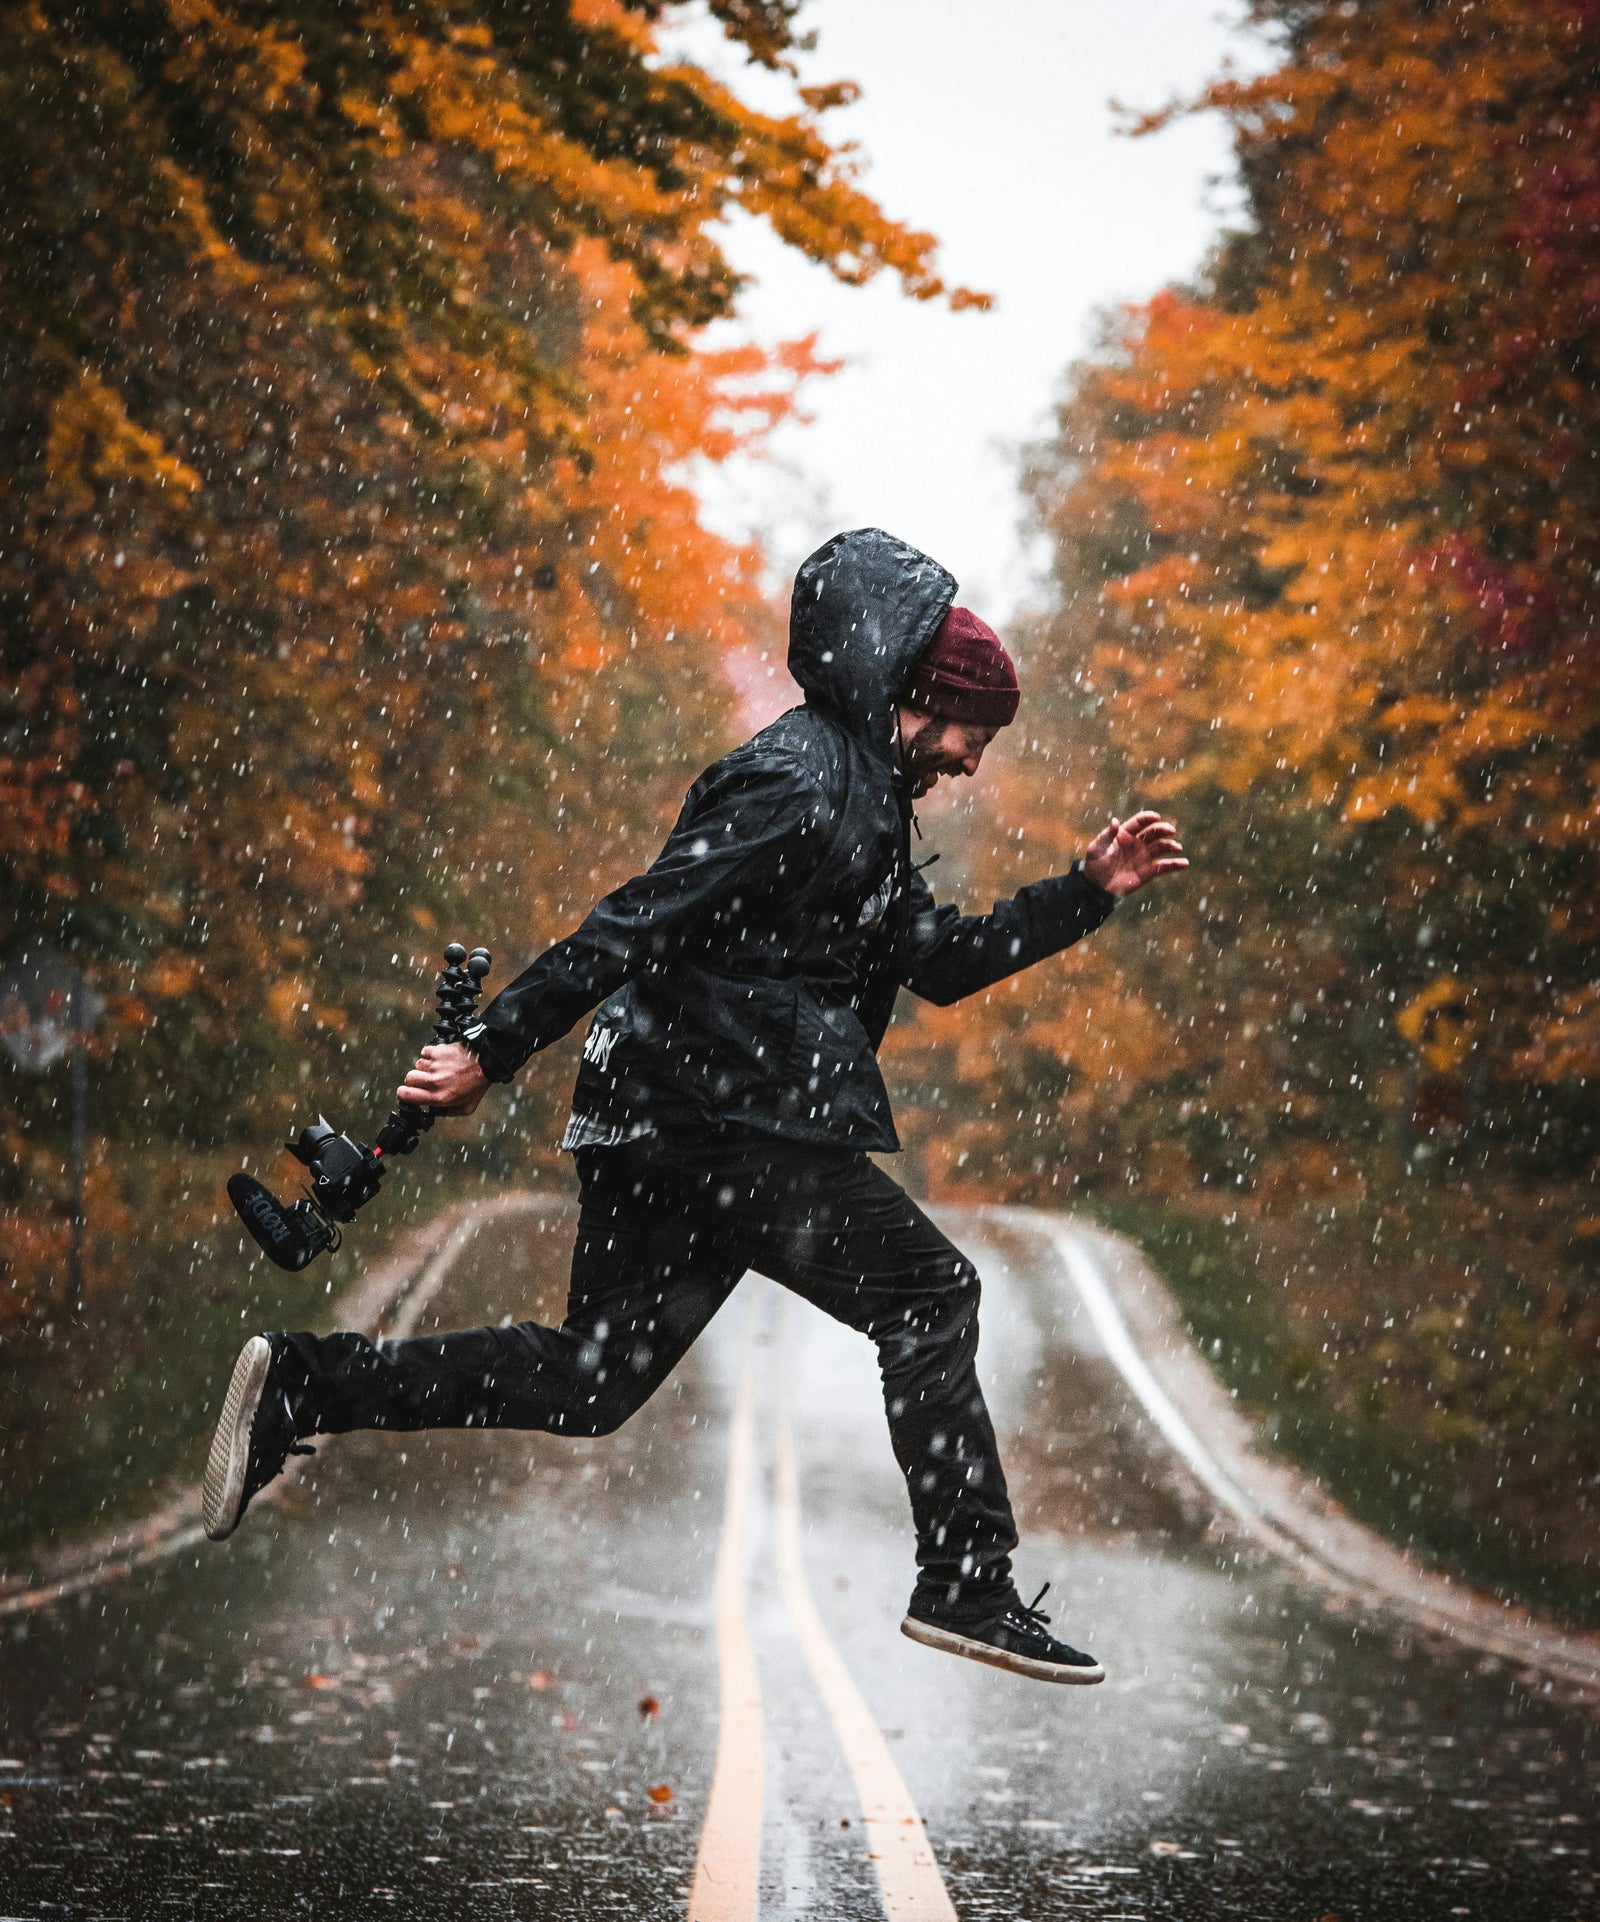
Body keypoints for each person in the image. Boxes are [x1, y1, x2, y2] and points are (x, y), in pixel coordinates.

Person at [202, 528, 1185, 1685]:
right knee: (933, 1292)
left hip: (681, 1118)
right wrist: (491, 1049)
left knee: (587, 1381)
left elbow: (946, 961)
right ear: (915, 697)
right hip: (732, 1116)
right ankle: (965, 1580)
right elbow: (636, 917)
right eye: (971, 730)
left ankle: (307, 1381)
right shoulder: (798, 779)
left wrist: (1085, 891)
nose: (971, 758)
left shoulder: (864, 804)